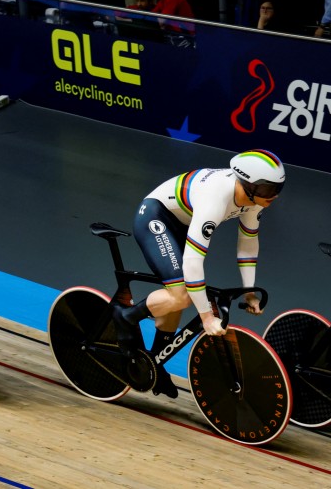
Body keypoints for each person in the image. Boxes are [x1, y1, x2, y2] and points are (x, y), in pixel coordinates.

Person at [112, 149, 286, 398]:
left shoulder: (253, 201)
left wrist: (249, 291)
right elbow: (194, 262)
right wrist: (205, 317)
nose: (275, 196)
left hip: (183, 223)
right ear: (248, 184)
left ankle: (156, 361)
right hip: (156, 216)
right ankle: (126, 317)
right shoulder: (216, 197)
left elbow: (248, 243)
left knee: (182, 296)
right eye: (269, 189)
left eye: (278, 188)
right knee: (182, 296)